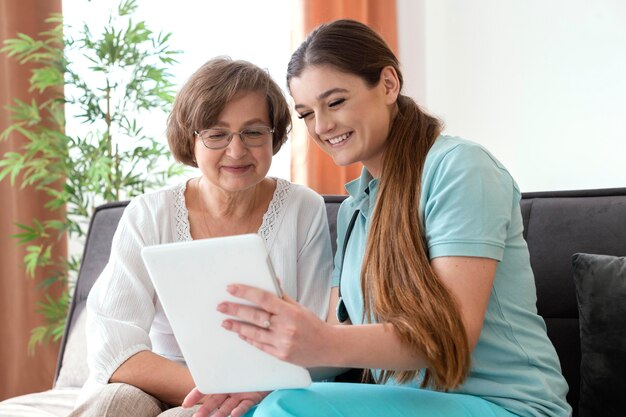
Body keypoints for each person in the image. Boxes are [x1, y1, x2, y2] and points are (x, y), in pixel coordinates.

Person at [183, 20, 572, 417]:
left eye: (334, 102)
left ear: (388, 84)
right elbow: (340, 346)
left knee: (283, 409)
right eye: (306, 114)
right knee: (256, 407)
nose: (322, 126)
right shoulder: (354, 210)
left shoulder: (460, 169)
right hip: (416, 404)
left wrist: (318, 341)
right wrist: (261, 381)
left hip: (509, 407)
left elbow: (450, 336)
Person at [70, 57, 333, 417]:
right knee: (113, 404)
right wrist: (207, 389)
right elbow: (113, 346)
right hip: (157, 378)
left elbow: (316, 332)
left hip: (259, 389)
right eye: (216, 134)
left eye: (254, 132)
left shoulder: (304, 209)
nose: (236, 150)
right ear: (191, 139)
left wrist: (237, 393)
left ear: (274, 136)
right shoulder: (149, 214)